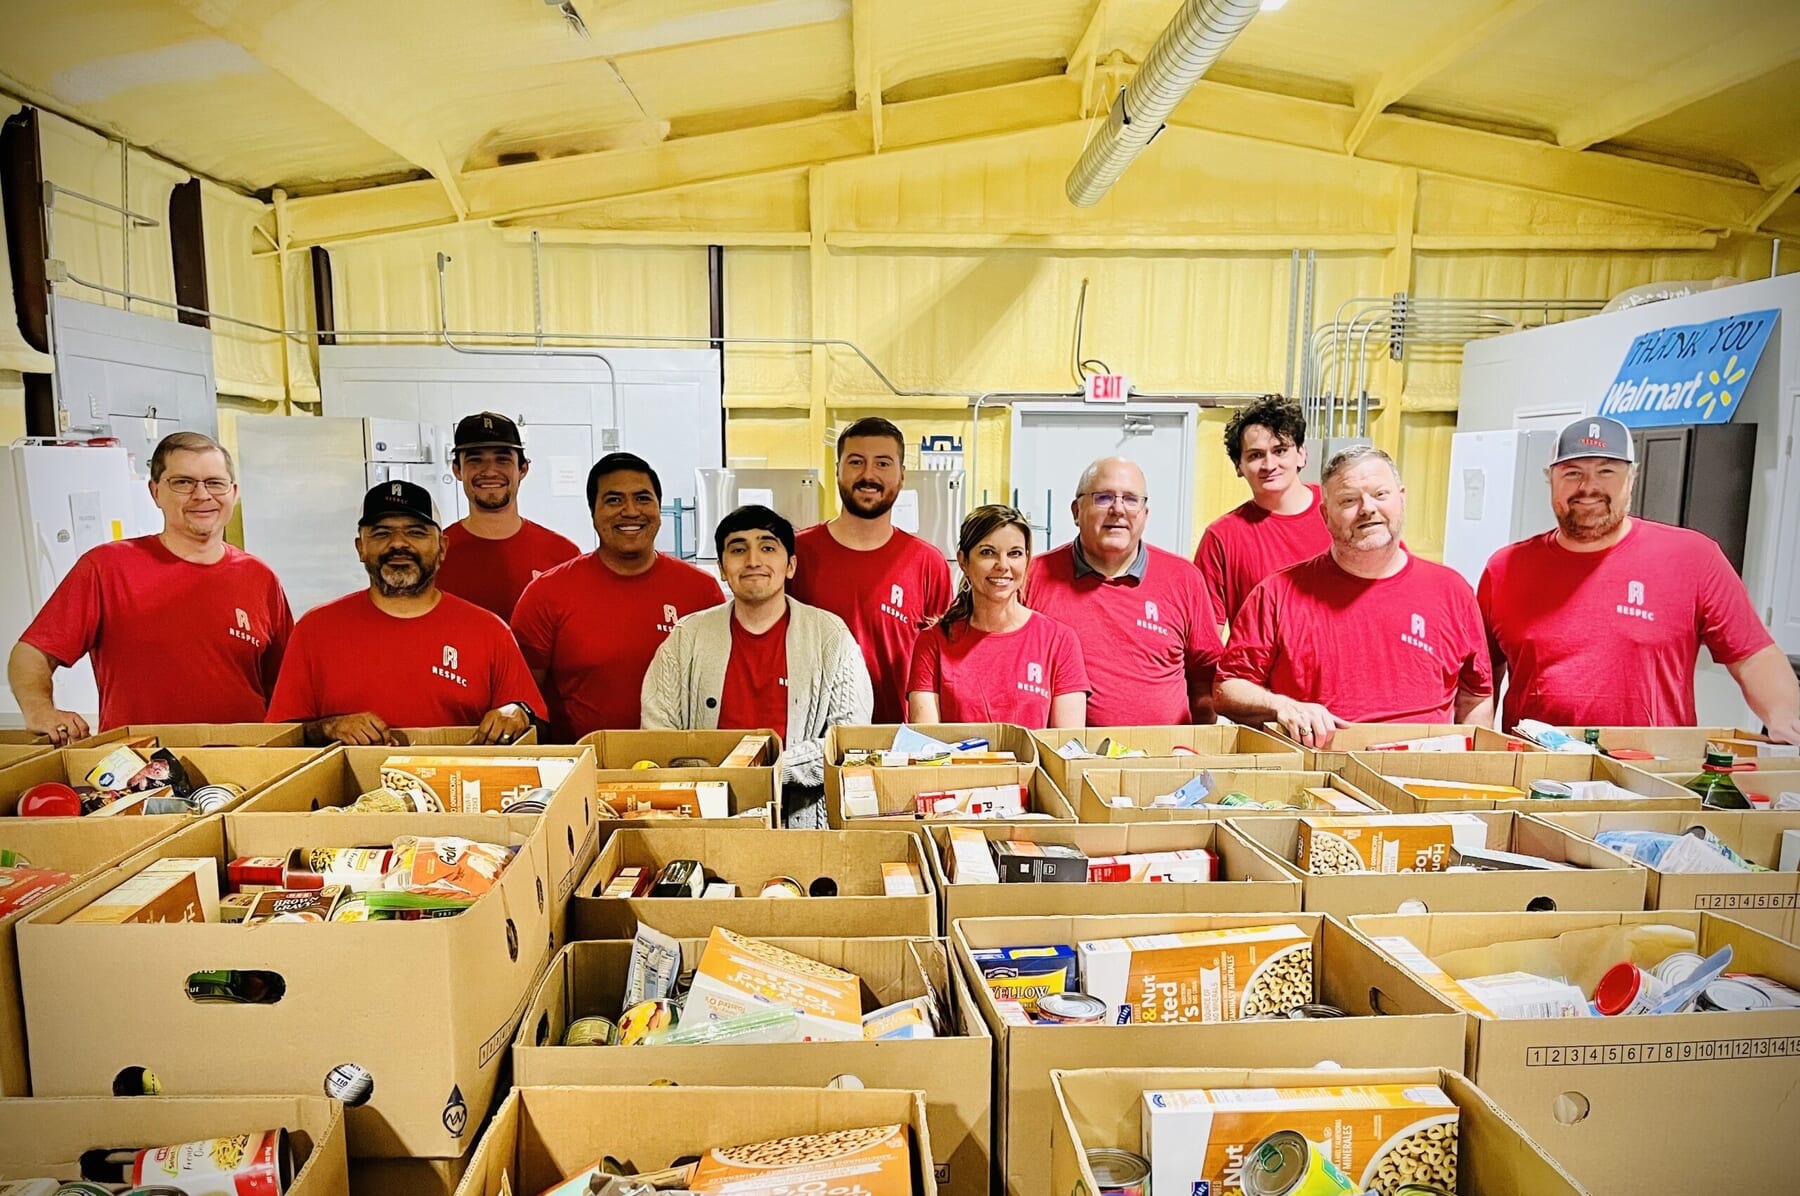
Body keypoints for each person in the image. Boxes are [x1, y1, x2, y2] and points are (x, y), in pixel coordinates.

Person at [1478, 415, 1798, 742]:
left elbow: (1752, 655)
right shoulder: (1505, 569)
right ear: (1551, 480)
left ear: (1631, 478)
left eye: (1606, 471)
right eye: (1573, 473)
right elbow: (1479, 681)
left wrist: (1786, 717)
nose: (1588, 487)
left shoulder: (1693, 558)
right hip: (1538, 769)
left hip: (1652, 770)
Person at [9, 431, 292, 743]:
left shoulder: (260, 577)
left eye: (214, 482)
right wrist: (39, 709)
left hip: (246, 765)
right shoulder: (107, 567)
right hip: (139, 770)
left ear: (233, 492)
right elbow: (32, 653)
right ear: (155, 492)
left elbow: (285, 684)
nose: (202, 494)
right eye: (183, 482)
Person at [1215, 445, 1493, 747]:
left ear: (1402, 498)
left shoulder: (1452, 591)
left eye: (1380, 494)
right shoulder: (1276, 594)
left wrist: (1470, 769)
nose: (1367, 508)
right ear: (1325, 513)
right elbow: (1227, 689)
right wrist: (1283, 706)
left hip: (1423, 776)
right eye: (1349, 500)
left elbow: (1476, 696)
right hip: (1316, 774)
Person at [641, 505, 872, 825]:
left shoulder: (830, 637)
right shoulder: (687, 637)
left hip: (800, 820)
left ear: (790, 565)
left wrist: (771, 771)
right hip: (704, 821)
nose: (752, 560)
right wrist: (714, 777)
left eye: (767, 547)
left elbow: (848, 740)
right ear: (722, 568)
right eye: (738, 549)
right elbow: (656, 734)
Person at [266, 480, 542, 746]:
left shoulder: (488, 631)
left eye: (416, 532)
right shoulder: (315, 630)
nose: (399, 543)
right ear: (360, 547)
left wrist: (517, 713)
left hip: (459, 788)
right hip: (346, 792)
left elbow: (534, 720)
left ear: (442, 547)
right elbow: (282, 735)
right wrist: (328, 727)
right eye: (381, 533)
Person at [512, 452, 724, 740]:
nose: (631, 511)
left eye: (643, 498)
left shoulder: (700, 590)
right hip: (585, 767)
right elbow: (524, 701)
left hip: (680, 763)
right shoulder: (547, 594)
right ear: (593, 513)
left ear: (659, 509)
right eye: (613, 500)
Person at [1024, 457, 1222, 725]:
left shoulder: (1184, 579)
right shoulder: (1033, 576)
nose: (1118, 510)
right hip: (1066, 758)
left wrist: (1196, 749)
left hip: (1167, 759)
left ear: (1145, 514)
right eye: (1103, 497)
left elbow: (1205, 680)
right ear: (1075, 511)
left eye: (1131, 499)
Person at [789, 417, 952, 723]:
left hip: (900, 740)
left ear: (902, 476)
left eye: (883, 463)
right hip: (814, 739)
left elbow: (943, 666)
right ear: (837, 471)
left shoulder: (928, 563)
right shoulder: (797, 555)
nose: (868, 475)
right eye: (856, 462)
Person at [908, 505, 1089, 730]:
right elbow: (926, 746)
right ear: (963, 561)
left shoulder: (1059, 641)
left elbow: (1066, 746)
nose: (1003, 565)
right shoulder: (933, 642)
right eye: (987, 552)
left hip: (1035, 766)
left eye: (1014, 553)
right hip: (956, 767)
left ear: (1026, 560)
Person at [1194, 395, 1332, 635]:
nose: (1269, 465)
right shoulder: (1222, 537)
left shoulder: (1341, 511)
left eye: (1280, 451)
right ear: (1239, 466)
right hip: (1259, 672)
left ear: (1301, 454)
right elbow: (1206, 640)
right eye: (1255, 455)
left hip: (1339, 668)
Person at [435, 411, 579, 622]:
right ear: (457, 470)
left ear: (523, 469)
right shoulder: (435, 556)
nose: (490, 471)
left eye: (502, 460)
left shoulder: (563, 555)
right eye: (475, 460)